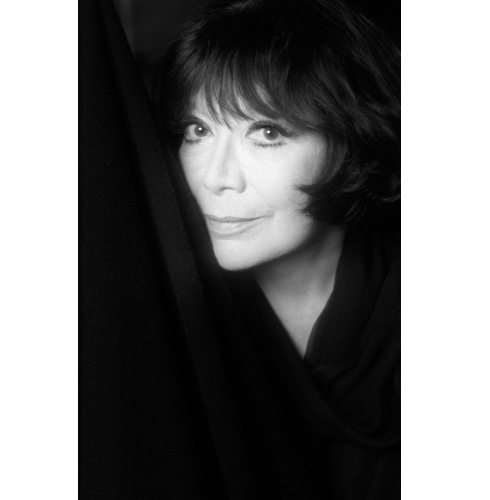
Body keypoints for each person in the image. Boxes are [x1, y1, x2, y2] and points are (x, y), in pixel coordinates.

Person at [156, 0, 400, 497]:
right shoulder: (169, 319)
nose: (216, 177)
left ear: (352, 142)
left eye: (266, 133)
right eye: (198, 130)